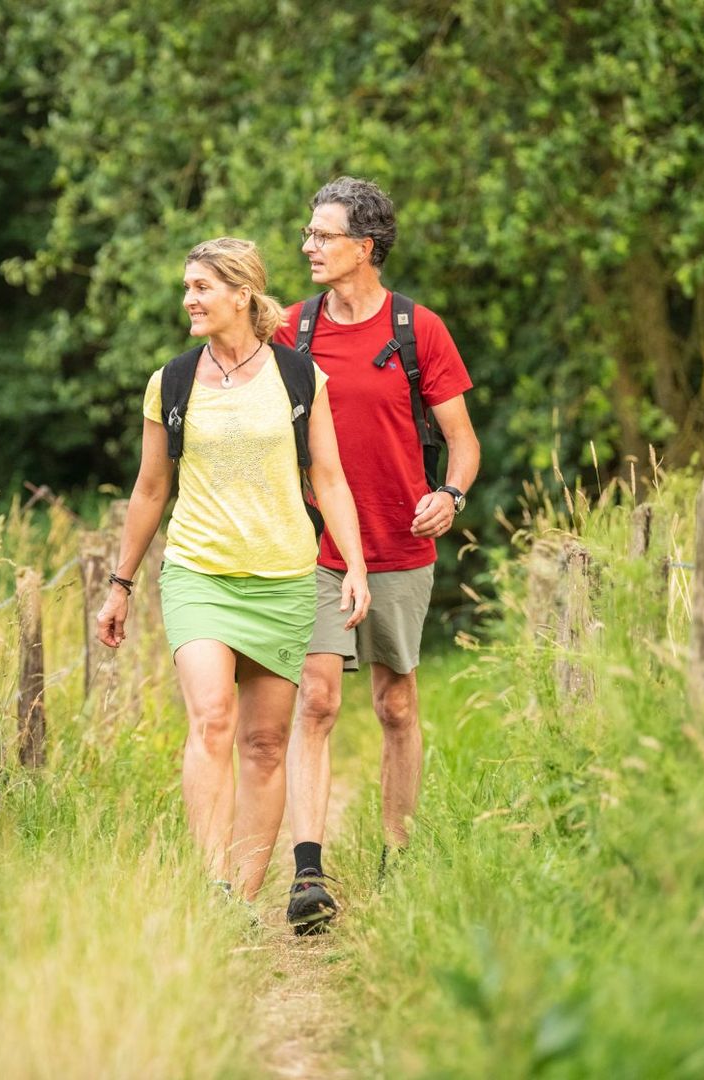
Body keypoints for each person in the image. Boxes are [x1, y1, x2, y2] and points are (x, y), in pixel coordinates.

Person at [96, 237, 370, 908]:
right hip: (200, 573)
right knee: (213, 718)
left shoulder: (300, 377)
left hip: (284, 577)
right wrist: (120, 584)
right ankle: (213, 887)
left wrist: (355, 566)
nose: (188, 299)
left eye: (202, 287)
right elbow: (150, 489)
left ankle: (241, 902)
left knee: (266, 744)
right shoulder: (172, 382)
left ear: (242, 293)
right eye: (187, 287)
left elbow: (329, 478)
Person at [274, 177, 481, 933]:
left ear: (364, 246)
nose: (309, 246)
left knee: (396, 705)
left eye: (322, 235)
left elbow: (462, 442)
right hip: (315, 546)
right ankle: (307, 874)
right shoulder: (290, 330)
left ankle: (398, 860)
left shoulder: (417, 330)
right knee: (317, 699)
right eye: (308, 233)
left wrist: (450, 496)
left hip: (399, 541)